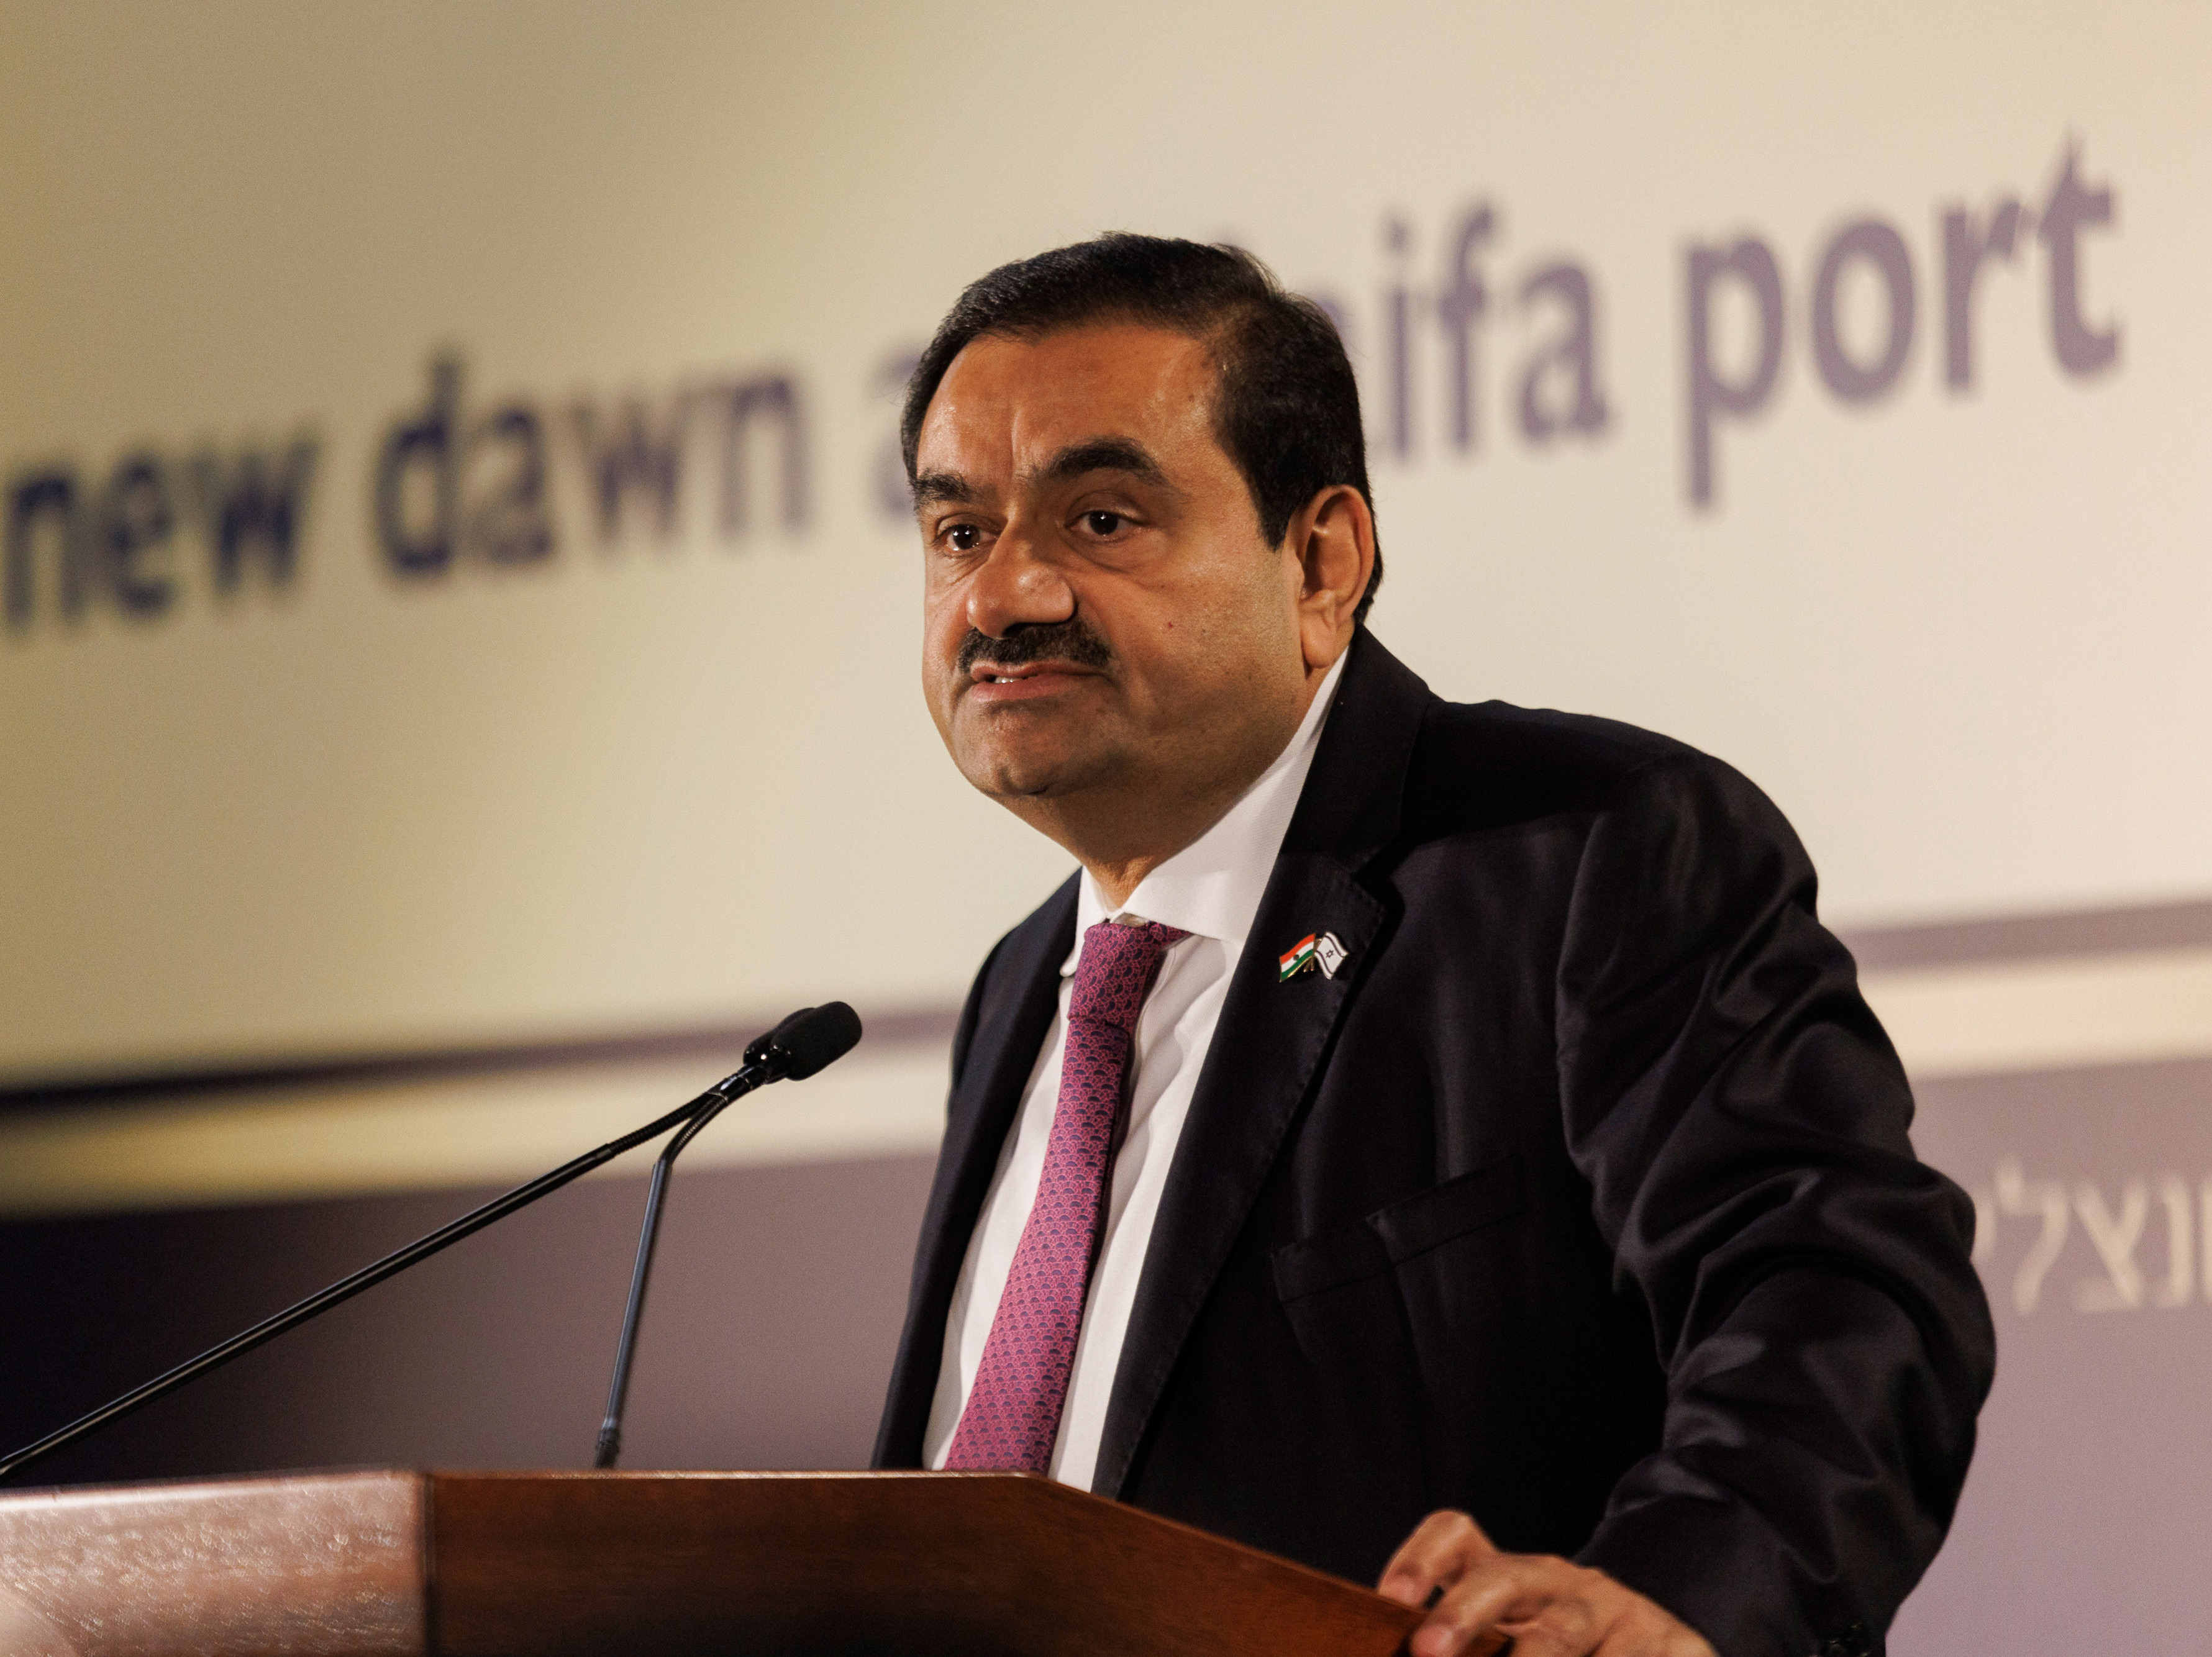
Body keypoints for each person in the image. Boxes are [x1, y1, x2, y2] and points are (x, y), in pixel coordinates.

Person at [872, 234, 1994, 1657]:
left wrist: (1673, 1598)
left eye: (1100, 519)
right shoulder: (1021, 992)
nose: (1001, 598)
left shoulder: (1585, 854)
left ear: (1320, 561)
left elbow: (1837, 1289)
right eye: (959, 533)